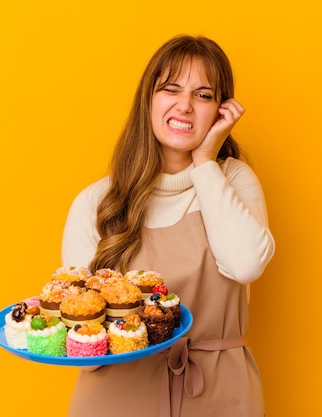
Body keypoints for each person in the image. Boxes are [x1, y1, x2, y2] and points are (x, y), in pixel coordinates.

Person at [62, 34, 275, 417]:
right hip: (116, 395)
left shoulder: (232, 181)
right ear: (148, 100)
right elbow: (81, 336)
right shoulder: (97, 201)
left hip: (218, 393)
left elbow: (246, 265)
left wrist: (206, 160)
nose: (185, 106)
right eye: (171, 89)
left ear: (221, 111)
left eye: (204, 95)